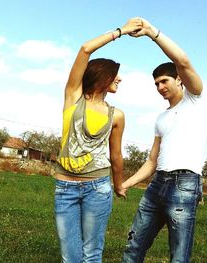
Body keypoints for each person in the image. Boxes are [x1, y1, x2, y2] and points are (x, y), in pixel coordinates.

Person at [54, 18, 143, 263]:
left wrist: (118, 184)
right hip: (65, 188)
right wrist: (121, 31)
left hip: (98, 187)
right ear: (102, 76)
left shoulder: (118, 115)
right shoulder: (73, 98)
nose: (120, 79)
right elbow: (85, 49)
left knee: (92, 253)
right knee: (69, 255)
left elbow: (116, 155)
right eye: (115, 74)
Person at [122, 18, 207, 263]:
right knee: (133, 246)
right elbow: (151, 160)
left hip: (185, 184)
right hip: (157, 183)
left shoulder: (195, 100)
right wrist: (126, 183)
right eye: (156, 83)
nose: (160, 87)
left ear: (179, 79)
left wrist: (151, 32)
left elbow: (183, 61)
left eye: (164, 81)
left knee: (178, 256)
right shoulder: (161, 118)